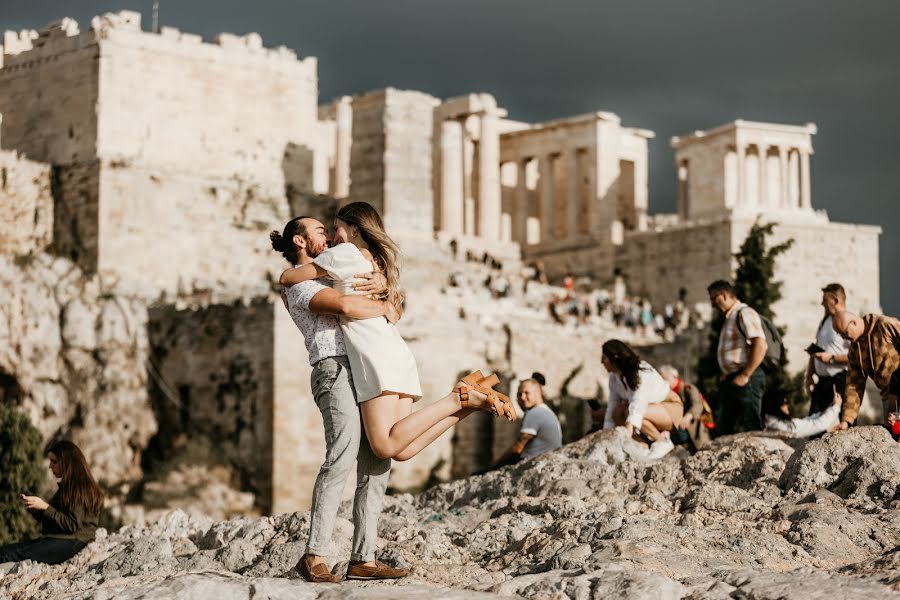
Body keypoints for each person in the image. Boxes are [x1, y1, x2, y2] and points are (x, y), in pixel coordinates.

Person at [272, 211, 513, 582]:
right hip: (335, 369)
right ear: (300, 241)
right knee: (340, 456)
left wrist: (385, 291)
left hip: (364, 366)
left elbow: (390, 312)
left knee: (377, 464)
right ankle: (314, 554)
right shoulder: (301, 285)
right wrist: (382, 303)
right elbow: (349, 307)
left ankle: (363, 557)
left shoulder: (334, 271)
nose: (329, 237)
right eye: (321, 231)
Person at [0, 440, 102, 565]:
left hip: (74, 542)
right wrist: (35, 508)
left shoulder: (80, 488)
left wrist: (45, 506)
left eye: (54, 461)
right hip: (62, 539)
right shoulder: (67, 487)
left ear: (67, 462)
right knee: (4, 551)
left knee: (10, 556)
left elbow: (72, 525)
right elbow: (56, 519)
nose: (50, 466)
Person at [601, 340, 683, 459]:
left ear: (615, 357)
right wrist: (606, 432)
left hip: (669, 407)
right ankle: (641, 446)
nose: (601, 362)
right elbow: (612, 404)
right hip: (646, 410)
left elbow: (638, 405)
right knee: (617, 413)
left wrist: (627, 434)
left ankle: (662, 442)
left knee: (631, 412)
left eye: (604, 358)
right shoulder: (614, 378)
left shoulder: (641, 370)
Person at [707, 280, 768, 435]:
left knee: (751, 423)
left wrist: (746, 374)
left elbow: (760, 345)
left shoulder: (744, 313)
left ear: (725, 295)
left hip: (747, 377)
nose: (713, 303)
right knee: (724, 426)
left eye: (714, 298)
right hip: (734, 377)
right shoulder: (730, 317)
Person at [830, 309, 900, 431]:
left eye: (845, 333)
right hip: (888, 401)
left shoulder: (884, 324)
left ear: (853, 323)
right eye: (841, 335)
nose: (845, 338)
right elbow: (853, 386)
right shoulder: (854, 351)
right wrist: (846, 421)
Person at [491, 373, 562, 468]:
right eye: (519, 394)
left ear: (538, 394)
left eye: (526, 393)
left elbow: (518, 449)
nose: (522, 397)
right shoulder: (545, 411)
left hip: (535, 463)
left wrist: (494, 466)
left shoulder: (535, 413)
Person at [805, 283, 850, 416]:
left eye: (825, 300)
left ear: (836, 300)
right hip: (822, 382)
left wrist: (831, 358)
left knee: (847, 425)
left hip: (841, 380)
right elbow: (815, 350)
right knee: (813, 423)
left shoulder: (848, 320)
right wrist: (809, 376)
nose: (821, 303)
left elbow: (857, 356)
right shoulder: (824, 321)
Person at [658, 365, 712, 451]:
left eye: (665, 379)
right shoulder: (665, 394)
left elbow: (697, 404)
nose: (664, 382)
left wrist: (688, 416)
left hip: (693, 427)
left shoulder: (688, 388)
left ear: (674, 377)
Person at [763, 393, 840, 437]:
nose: (787, 406)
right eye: (785, 403)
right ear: (776, 407)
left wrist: (829, 408)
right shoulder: (786, 427)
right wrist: (836, 407)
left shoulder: (770, 421)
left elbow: (806, 421)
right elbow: (817, 425)